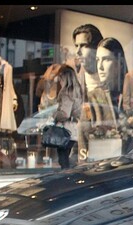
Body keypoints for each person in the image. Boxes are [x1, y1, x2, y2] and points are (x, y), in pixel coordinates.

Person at [71, 24, 103, 155]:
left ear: (96, 48)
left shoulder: (109, 78)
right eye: (76, 46)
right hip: (84, 149)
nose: (78, 51)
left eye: (83, 45)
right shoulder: (78, 78)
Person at [49, 64, 83, 169]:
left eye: (60, 78)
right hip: (73, 130)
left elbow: (64, 114)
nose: (59, 81)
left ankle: (66, 178)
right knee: (66, 157)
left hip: (64, 131)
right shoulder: (77, 92)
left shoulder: (66, 92)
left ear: (64, 77)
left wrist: (54, 114)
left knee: (63, 160)